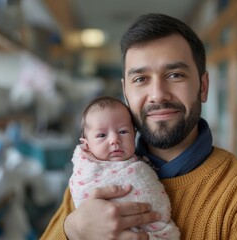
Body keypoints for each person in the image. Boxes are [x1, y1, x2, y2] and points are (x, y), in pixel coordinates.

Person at [41, 13, 237, 240]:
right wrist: (73, 230)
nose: (157, 95)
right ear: (126, 93)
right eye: (140, 79)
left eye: (175, 75)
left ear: (203, 87)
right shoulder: (94, 176)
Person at [68, 95, 180, 239]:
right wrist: (76, 229)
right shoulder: (86, 174)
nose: (115, 140)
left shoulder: (141, 162)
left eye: (123, 132)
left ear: (134, 134)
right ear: (87, 145)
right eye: (102, 135)